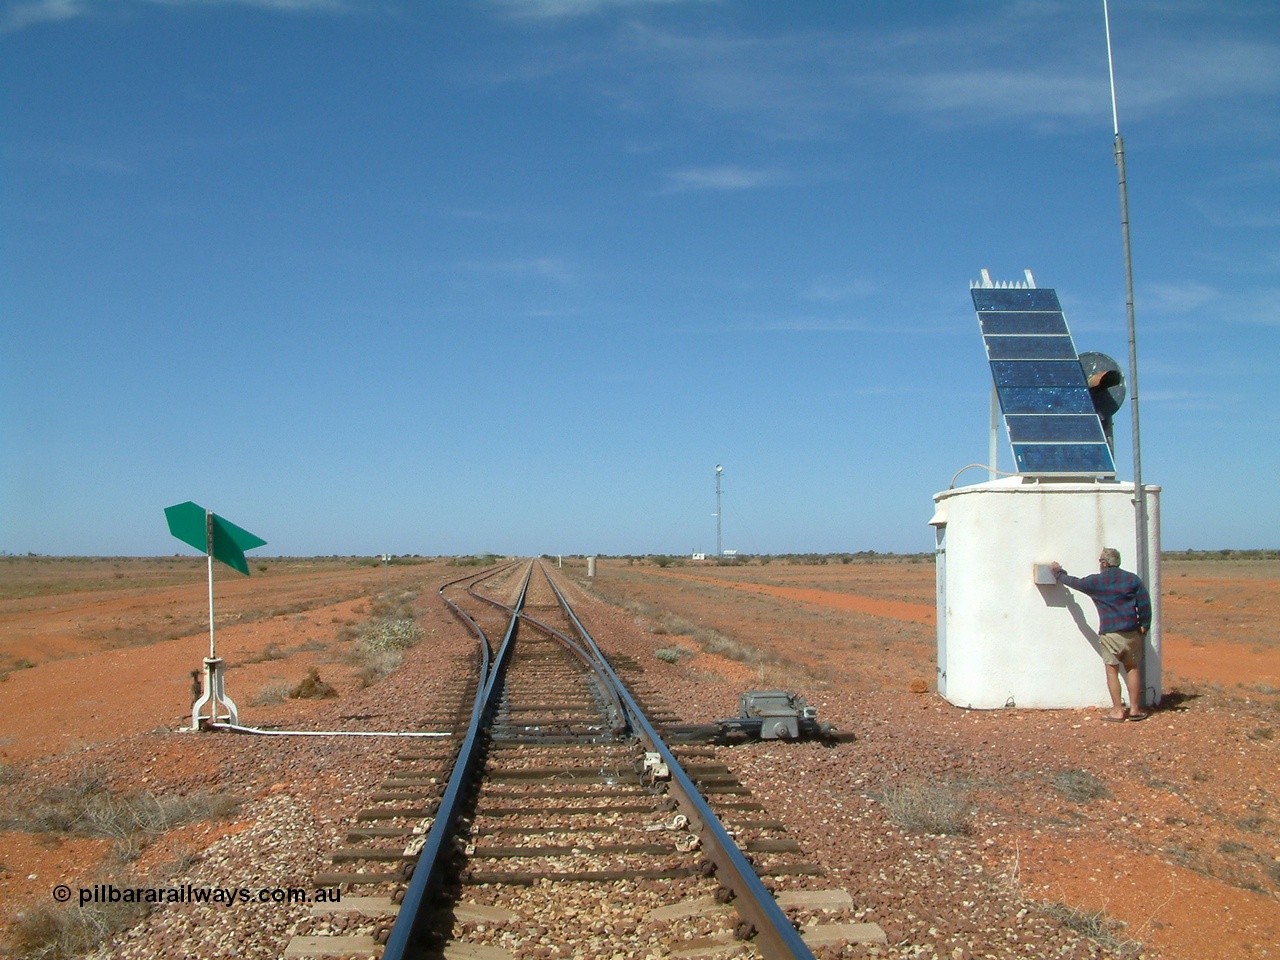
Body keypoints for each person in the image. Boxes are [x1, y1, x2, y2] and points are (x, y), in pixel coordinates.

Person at [1049, 547, 1152, 722]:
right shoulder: (1132, 579)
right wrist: (1144, 625)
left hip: (1110, 633)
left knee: (1112, 671)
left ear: (1104, 563)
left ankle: (1118, 711)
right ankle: (1135, 709)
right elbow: (1144, 603)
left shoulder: (1097, 582)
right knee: (1132, 668)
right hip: (1131, 631)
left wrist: (1058, 573)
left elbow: (1075, 582)